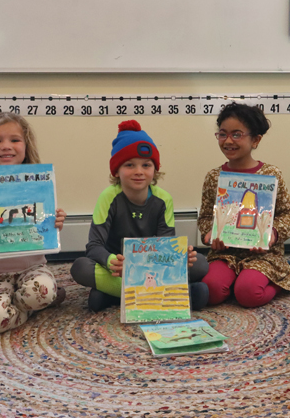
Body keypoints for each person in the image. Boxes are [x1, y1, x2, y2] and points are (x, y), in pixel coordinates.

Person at [71, 120, 209, 312]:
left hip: (152, 266)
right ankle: (169, 294)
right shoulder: (108, 197)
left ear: (155, 169)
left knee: (200, 264)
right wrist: (112, 261)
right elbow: (93, 247)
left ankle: (113, 296)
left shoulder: (163, 199)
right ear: (117, 170)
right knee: (80, 267)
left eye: (146, 165)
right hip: (118, 268)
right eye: (129, 165)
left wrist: (180, 257)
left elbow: (166, 245)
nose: (138, 172)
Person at [0, 113, 66, 333]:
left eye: (15, 140)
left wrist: (54, 225)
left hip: (33, 269)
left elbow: (45, 238)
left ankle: (24, 303)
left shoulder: (39, 186)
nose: (6, 146)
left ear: (26, 145)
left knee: (43, 291)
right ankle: (23, 307)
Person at [198, 102, 290, 308]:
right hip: (225, 253)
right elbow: (206, 216)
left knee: (249, 294)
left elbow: (288, 215)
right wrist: (210, 234)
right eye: (222, 134)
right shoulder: (214, 177)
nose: (228, 141)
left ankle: (280, 281)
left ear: (256, 139)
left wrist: (272, 234)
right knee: (211, 291)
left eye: (237, 134)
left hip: (263, 254)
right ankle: (236, 280)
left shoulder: (271, 174)